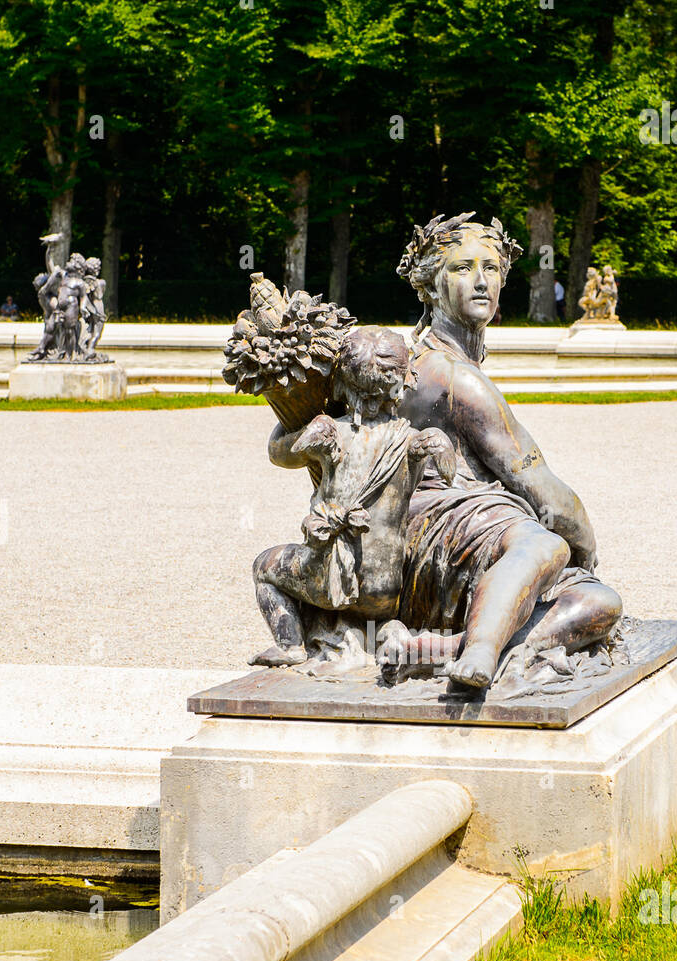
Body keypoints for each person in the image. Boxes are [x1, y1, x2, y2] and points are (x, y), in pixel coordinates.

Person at [394, 212, 622, 690]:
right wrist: (586, 547)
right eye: (461, 268)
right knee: (546, 545)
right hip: (442, 537)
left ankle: (454, 648)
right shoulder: (456, 377)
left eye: (491, 268)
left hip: (456, 533)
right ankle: (478, 651)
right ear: (430, 285)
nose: (481, 281)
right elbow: (542, 489)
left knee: (598, 604)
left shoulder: (424, 360)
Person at [250, 327, 455, 666]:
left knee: (264, 567)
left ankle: (290, 646)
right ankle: (384, 632)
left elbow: (280, 453)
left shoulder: (330, 432)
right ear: (403, 381)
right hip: (386, 591)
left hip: (338, 583)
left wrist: (299, 407)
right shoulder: (418, 440)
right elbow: (445, 475)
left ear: (343, 381)